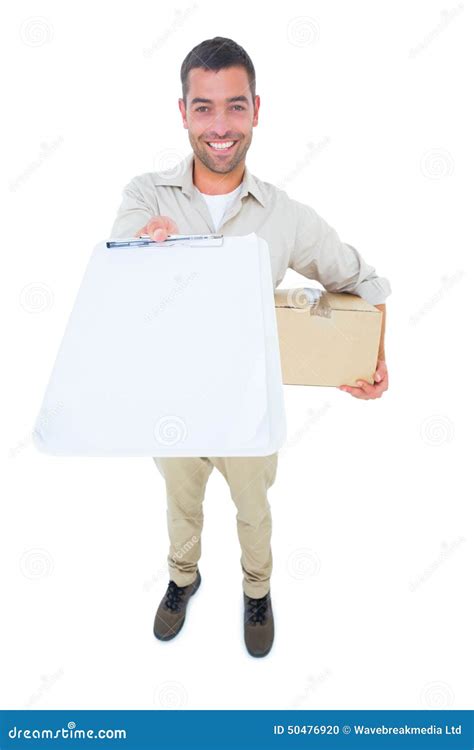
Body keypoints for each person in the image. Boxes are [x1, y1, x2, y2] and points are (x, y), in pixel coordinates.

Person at [110, 36, 391, 658]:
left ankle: (257, 590)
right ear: (182, 112)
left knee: (253, 512)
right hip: (171, 406)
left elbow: (363, 281)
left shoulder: (284, 215)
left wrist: (374, 354)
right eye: (204, 107)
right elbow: (117, 267)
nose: (220, 126)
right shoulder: (145, 197)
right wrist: (142, 248)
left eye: (234, 107)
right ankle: (183, 579)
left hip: (250, 410)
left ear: (256, 111)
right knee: (180, 506)